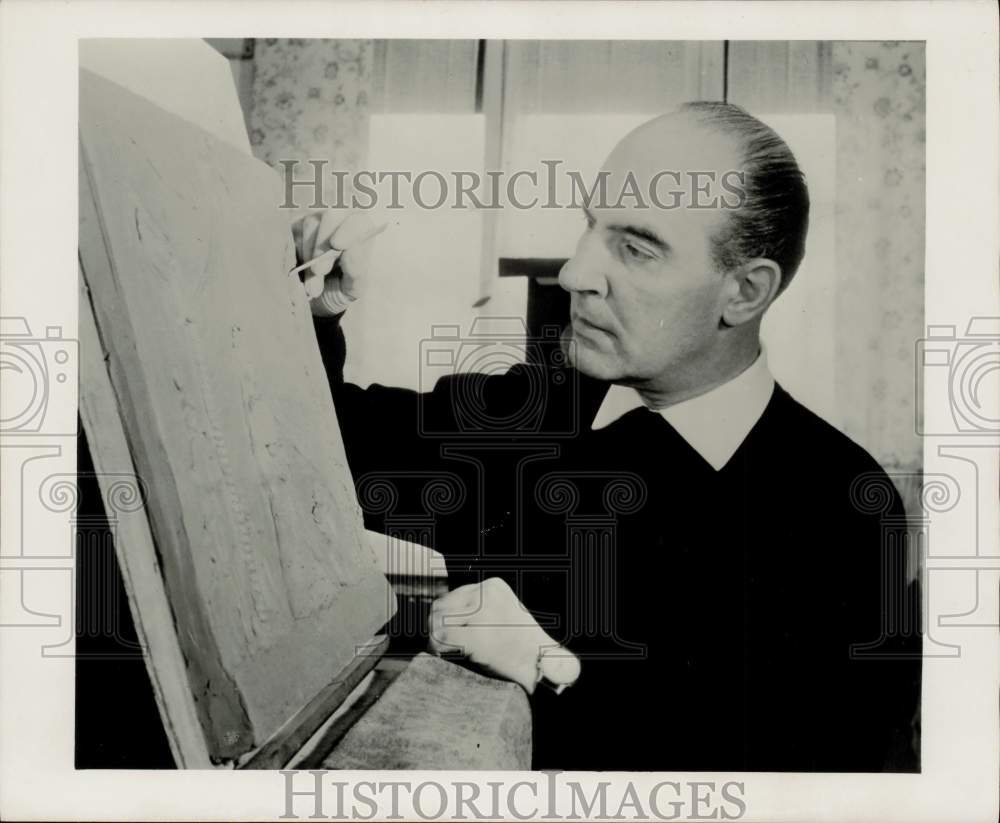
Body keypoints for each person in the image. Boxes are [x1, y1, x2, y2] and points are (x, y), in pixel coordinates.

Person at [296, 102, 921, 771]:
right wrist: (314, 313)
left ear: (743, 292)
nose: (574, 274)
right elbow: (341, 449)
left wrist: (551, 667)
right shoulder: (552, 399)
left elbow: (802, 777)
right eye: (592, 227)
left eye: (637, 247)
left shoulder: (839, 504)